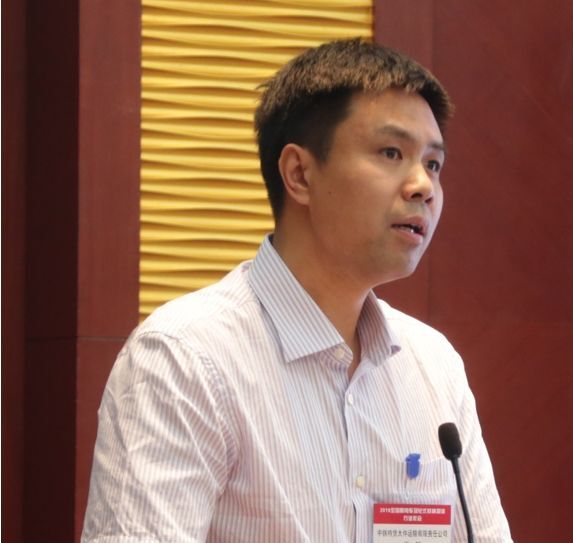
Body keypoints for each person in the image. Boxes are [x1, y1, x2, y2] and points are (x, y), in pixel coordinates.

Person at [82, 38, 513, 542]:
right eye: (391, 153)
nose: (423, 186)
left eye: (434, 164)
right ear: (299, 174)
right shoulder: (185, 359)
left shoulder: (434, 366)